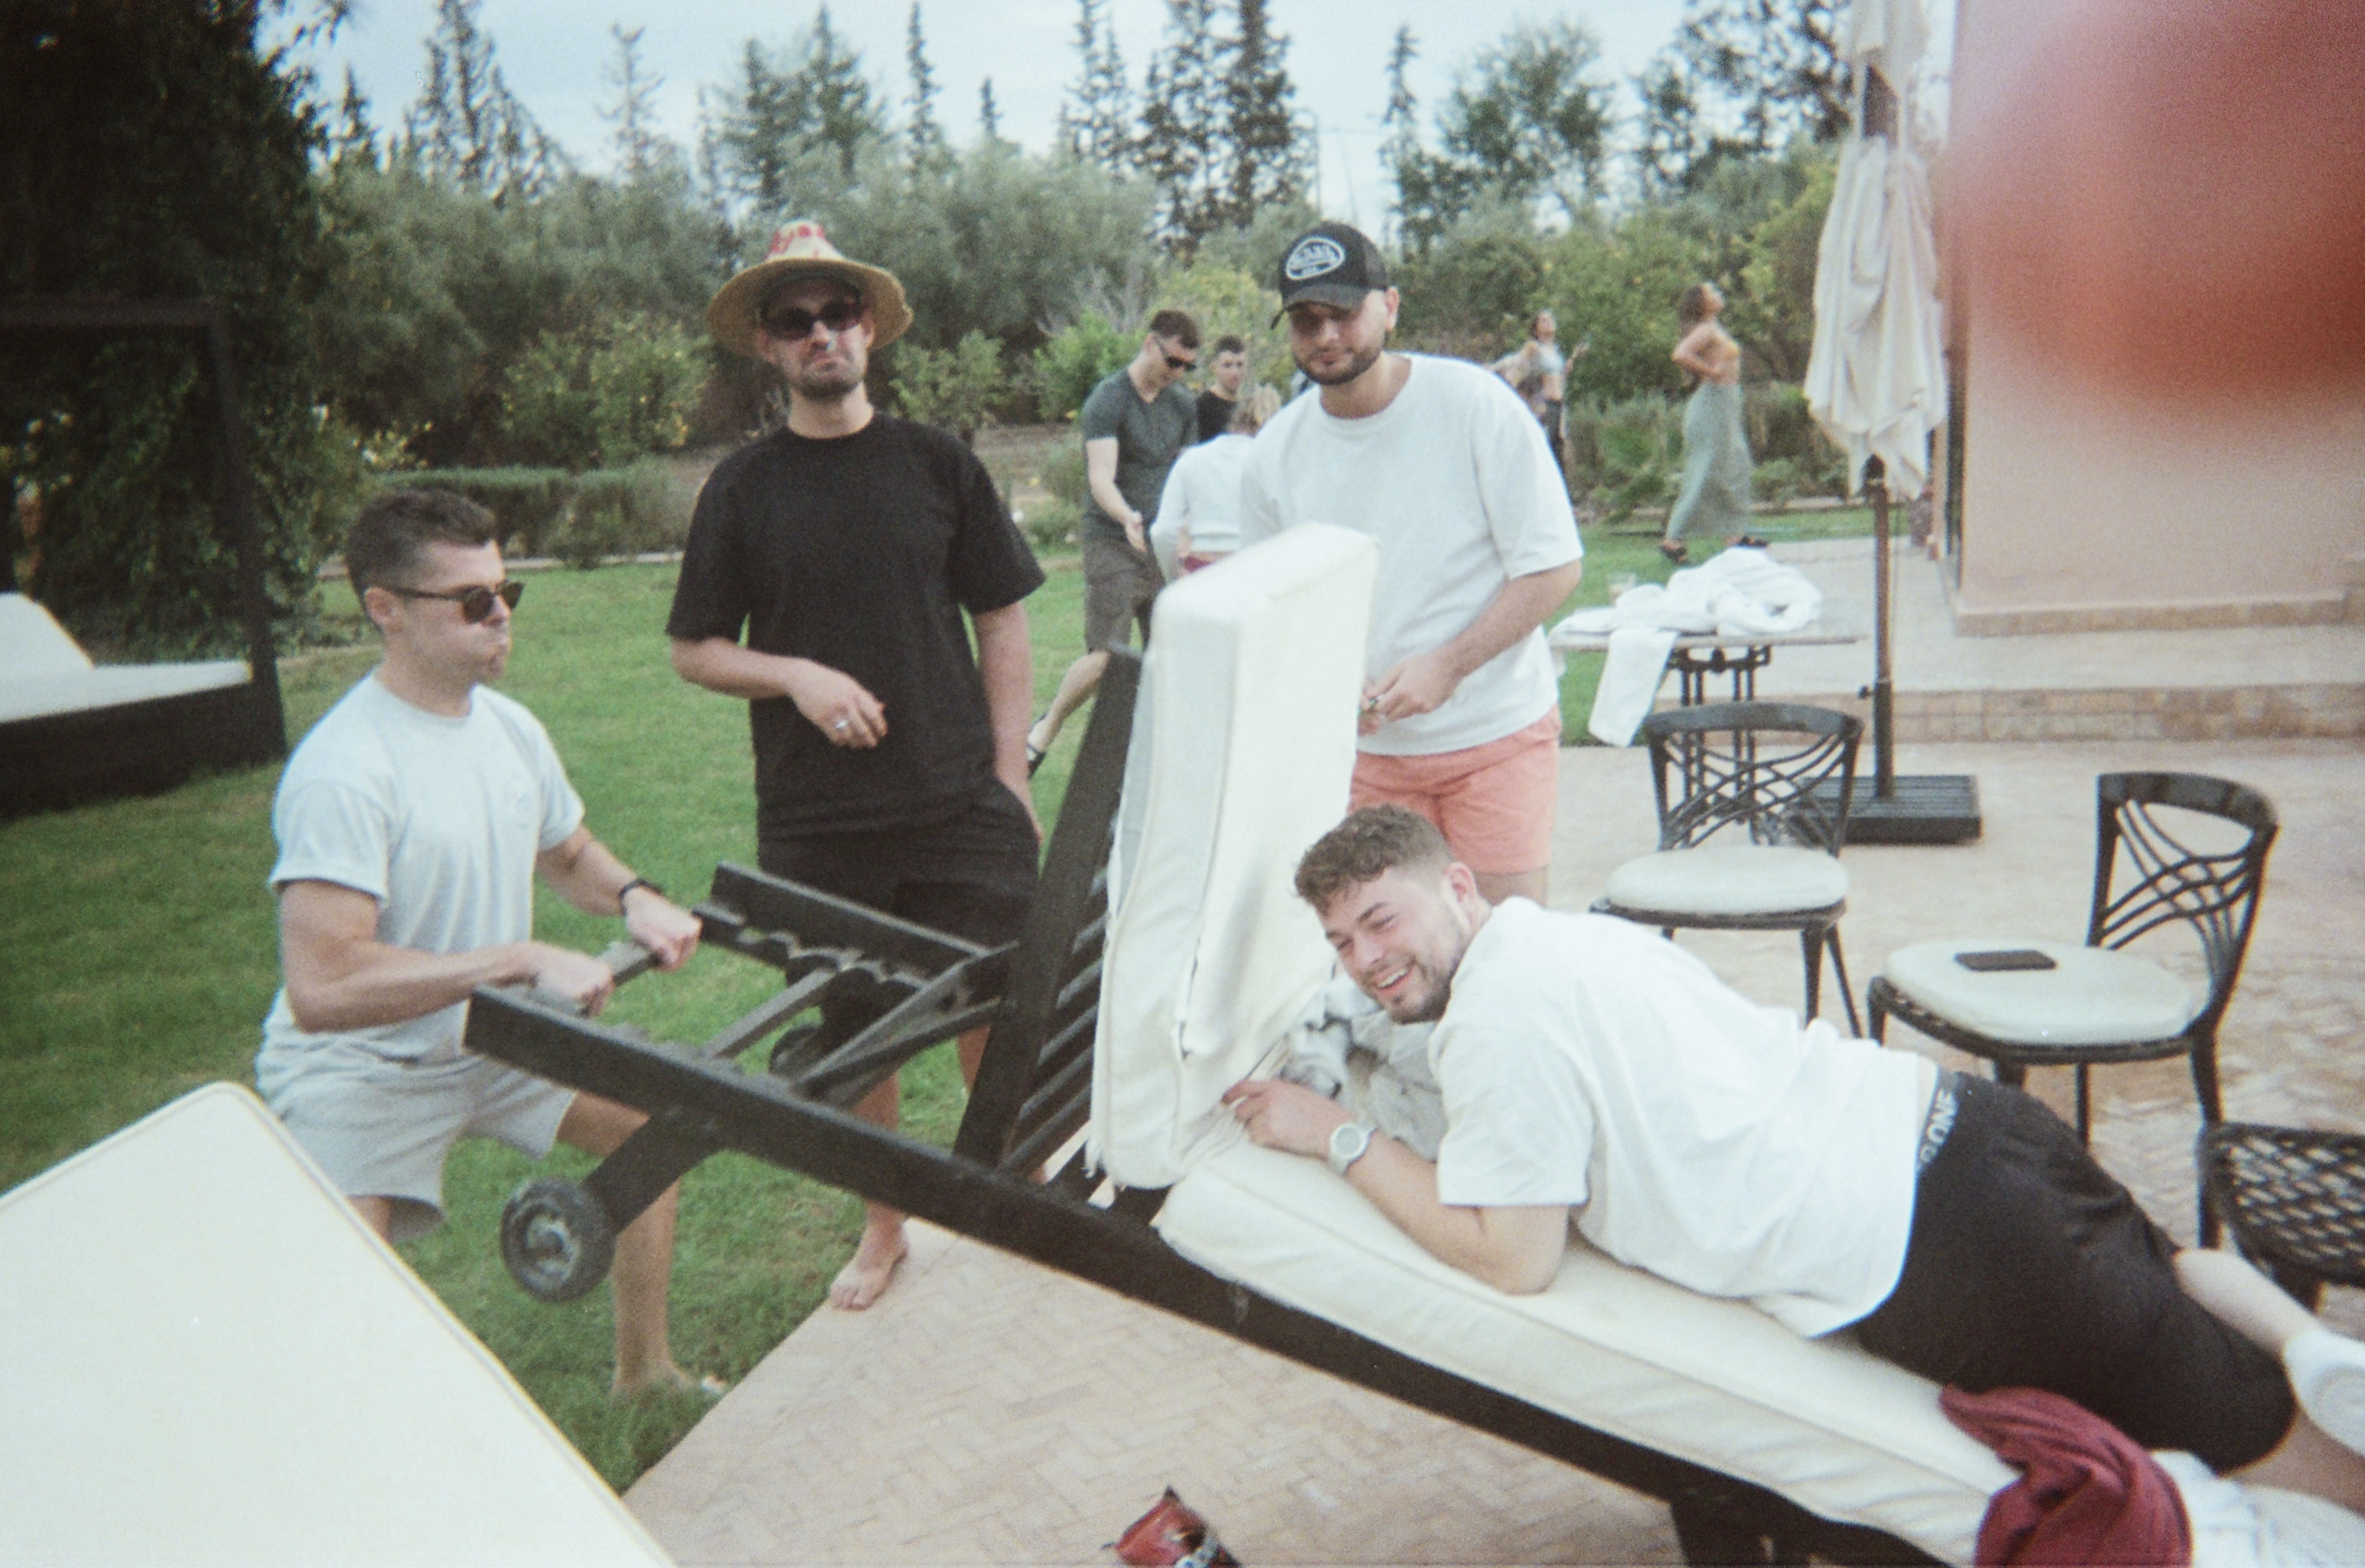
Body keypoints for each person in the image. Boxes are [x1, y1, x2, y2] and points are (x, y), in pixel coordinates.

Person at [1224, 806, 2365, 1516]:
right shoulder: (1564, 935)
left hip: (1946, 1249)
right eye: (1343, 942)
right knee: (2169, 1271)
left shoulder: (1496, 1022)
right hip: (1969, 1124)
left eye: (1382, 919)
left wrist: (1335, 1134)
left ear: (1456, 884)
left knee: (2279, 1452)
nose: (1367, 959)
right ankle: (2316, 1344)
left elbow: (1515, 1253)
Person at [256, 487, 712, 1400]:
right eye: (472, 601)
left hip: (493, 1037)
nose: (501, 615)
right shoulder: (345, 770)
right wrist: (517, 959)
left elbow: (568, 851)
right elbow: (324, 985)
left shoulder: (507, 728)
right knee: (345, 1309)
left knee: (659, 1133)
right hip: (360, 1066)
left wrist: (632, 897)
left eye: (506, 592)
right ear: (385, 610)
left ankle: (646, 1376)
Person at [668, 222, 1045, 1310]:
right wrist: (795, 675)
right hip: (817, 817)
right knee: (853, 1027)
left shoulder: (938, 462)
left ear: (868, 329)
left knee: (1000, 1003)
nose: (821, 335)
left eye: (838, 315)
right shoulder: (740, 489)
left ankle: (1007, 1194)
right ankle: (885, 1227)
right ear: (770, 349)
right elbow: (695, 650)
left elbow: (1003, 621)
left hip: (959, 797)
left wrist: (1010, 777)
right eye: (796, 323)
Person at [1240, 221, 1583, 906]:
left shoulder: (1473, 405)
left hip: (1495, 734)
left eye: (1343, 313)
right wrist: (1322, 684)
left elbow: (1553, 567)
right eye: (1306, 320)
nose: (1327, 335)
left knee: (1504, 953)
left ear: (1389, 307)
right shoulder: (1273, 455)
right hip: (1366, 761)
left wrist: (1448, 664)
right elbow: (1271, 613)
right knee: (1394, 970)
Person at [1026, 309, 1201, 771]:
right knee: (1108, 657)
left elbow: (1188, 474)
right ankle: (1045, 731)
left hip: (1162, 545)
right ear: (1150, 344)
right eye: (1173, 361)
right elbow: (1101, 478)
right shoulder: (1109, 400)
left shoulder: (1182, 405)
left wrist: (1183, 531)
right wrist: (1128, 517)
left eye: (1188, 366)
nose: (1179, 373)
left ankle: (1161, 759)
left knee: (1174, 654)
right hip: (1113, 538)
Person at [1661, 282, 1764, 564]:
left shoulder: (1714, 327)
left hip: (1726, 402)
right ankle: (1674, 539)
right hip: (1712, 404)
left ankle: (1734, 536)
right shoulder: (1705, 330)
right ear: (1702, 303)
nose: (1719, 294)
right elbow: (1681, 354)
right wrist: (1710, 372)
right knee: (1706, 470)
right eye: (1712, 293)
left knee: (1733, 467)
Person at [1149, 385, 1281, 579]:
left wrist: (1173, 578)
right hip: (1253, 570)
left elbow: (1162, 532)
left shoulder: (1193, 459)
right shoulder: (1271, 463)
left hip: (1199, 570)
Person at [1489, 310, 1571, 487]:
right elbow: (1517, 370)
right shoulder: (1534, 349)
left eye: (1550, 320)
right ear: (1536, 328)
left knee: (1558, 451)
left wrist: (1564, 371)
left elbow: (1557, 377)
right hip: (1543, 408)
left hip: (1557, 406)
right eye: (1543, 321)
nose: (1548, 323)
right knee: (1544, 450)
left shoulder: (1555, 351)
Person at [1195, 335, 1249, 444]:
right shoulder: (1201, 408)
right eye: (1228, 365)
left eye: (1240, 365)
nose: (1235, 373)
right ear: (1214, 367)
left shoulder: (1248, 409)